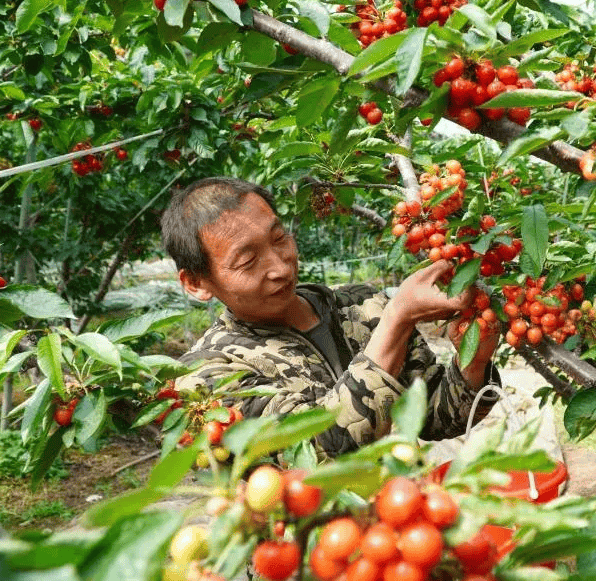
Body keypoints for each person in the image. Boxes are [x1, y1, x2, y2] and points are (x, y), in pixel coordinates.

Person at [161, 177, 502, 457]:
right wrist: (397, 319)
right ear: (196, 283)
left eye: (279, 239)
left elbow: (435, 417)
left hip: (410, 524)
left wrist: (474, 360)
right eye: (248, 261)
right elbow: (315, 451)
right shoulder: (207, 377)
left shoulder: (363, 307)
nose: (280, 267)